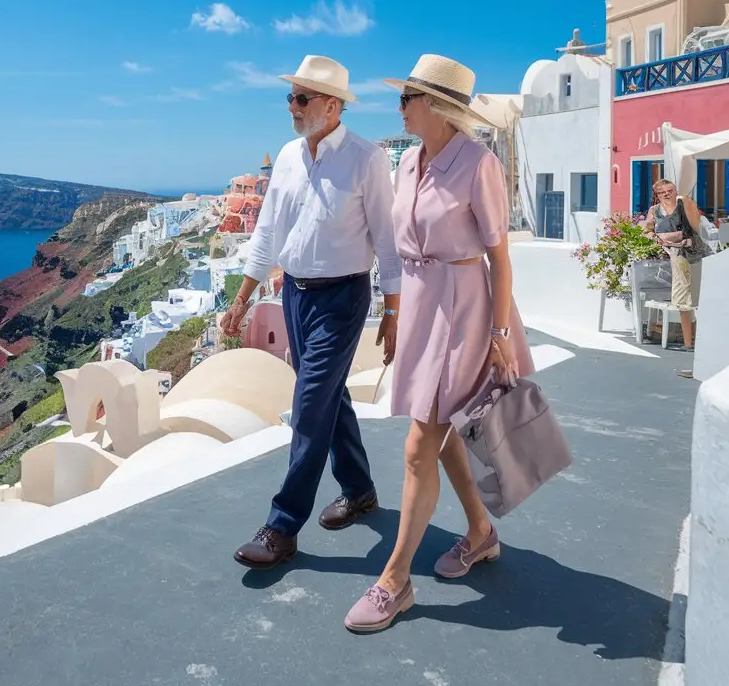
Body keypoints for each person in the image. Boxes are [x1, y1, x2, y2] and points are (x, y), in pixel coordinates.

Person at [343, 53, 535, 633]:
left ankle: (394, 580)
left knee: (417, 443)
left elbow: (500, 260)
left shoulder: (478, 164)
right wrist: (395, 311)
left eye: (405, 99)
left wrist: (499, 334)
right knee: (441, 430)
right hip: (424, 306)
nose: (398, 108)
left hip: (466, 309)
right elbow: (401, 248)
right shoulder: (406, 165)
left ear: (435, 107)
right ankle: (480, 533)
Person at [221, 54, 403, 569]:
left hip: (343, 298)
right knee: (329, 396)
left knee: (308, 405)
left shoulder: (367, 159)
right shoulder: (286, 156)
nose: (292, 108)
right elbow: (267, 233)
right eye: (290, 97)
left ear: (332, 104)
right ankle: (361, 489)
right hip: (297, 296)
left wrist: (393, 311)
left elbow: (386, 241)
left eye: (301, 99)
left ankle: (282, 526)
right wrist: (241, 299)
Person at [642, 178, 704, 351]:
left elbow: (690, 231)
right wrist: (659, 238)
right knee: (683, 298)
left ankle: (692, 342)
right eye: (662, 192)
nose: (666, 194)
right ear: (657, 195)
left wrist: (665, 238)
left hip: (687, 255)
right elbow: (647, 232)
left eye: (670, 190)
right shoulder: (654, 210)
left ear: (675, 191)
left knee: (690, 297)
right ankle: (688, 342)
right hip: (671, 256)